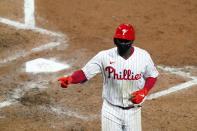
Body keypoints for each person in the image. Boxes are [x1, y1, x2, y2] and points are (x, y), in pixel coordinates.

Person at [58, 24, 159, 131]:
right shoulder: (104, 56)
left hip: (133, 111)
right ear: (115, 40)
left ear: (132, 41)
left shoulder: (143, 56)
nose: (123, 44)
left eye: (126, 41)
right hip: (111, 111)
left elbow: (152, 75)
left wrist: (144, 90)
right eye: (121, 40)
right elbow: (84, 73)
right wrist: (70, 79)